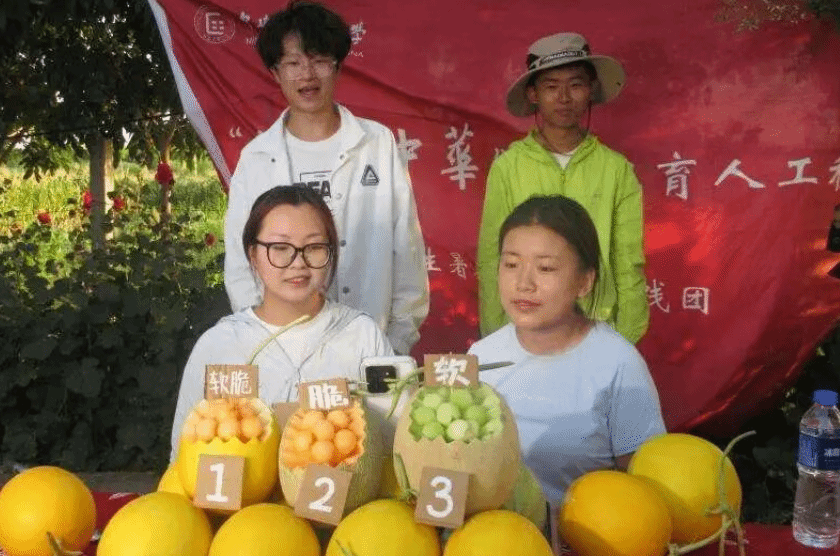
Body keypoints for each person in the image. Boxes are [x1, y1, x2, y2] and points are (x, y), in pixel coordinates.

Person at [225, 0, 428, 355]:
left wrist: (395, 343)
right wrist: (267, 344)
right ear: (275, 73)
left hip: (372, 347)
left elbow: (406, 248)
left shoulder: (376, 144)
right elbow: (242, 264)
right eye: (293, 63)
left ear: (337, 66)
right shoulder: (256, 159)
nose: (307, 75)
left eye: (319, 60)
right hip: (284, 348)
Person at [468, 195, 665, 509]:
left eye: (545, 268)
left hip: (591, 531)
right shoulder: (481, 358)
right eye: (511, 264)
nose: (523, 283)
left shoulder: (618, 364)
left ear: (585, 282)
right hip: (496, 531)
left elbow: (647, 484)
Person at [172, 185, 393, 457]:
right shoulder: (219, 345)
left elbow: (391, 447)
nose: (298, 263)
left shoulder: (362, 337)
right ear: (253, 255)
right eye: (280, 247)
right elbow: (182, 458)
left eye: (314, 247)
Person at [477, 32, 648, 344]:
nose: (564, 98)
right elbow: (492, 256)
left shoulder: (615, 169)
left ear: (591, 89)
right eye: (551, 87)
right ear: (533, 94)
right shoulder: (508, 167)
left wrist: (624, 340)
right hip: (524, 328)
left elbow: (628, 260)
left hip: (596, 329)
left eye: (576, 84)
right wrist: (498, 336)